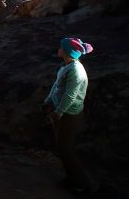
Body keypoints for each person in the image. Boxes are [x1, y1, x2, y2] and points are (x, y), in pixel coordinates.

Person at [43, 37, 97, 193]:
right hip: (59, 110)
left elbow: (70, 95)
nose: (58, 48)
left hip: (68, 114)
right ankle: (72, 179)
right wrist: (47, 101)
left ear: (66, 51)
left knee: (65, 149)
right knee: (61, 148)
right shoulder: (66, 65)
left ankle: (83, 183)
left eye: (60, 47)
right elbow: (57, 86)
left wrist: (58, 113)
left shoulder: (75, 70)